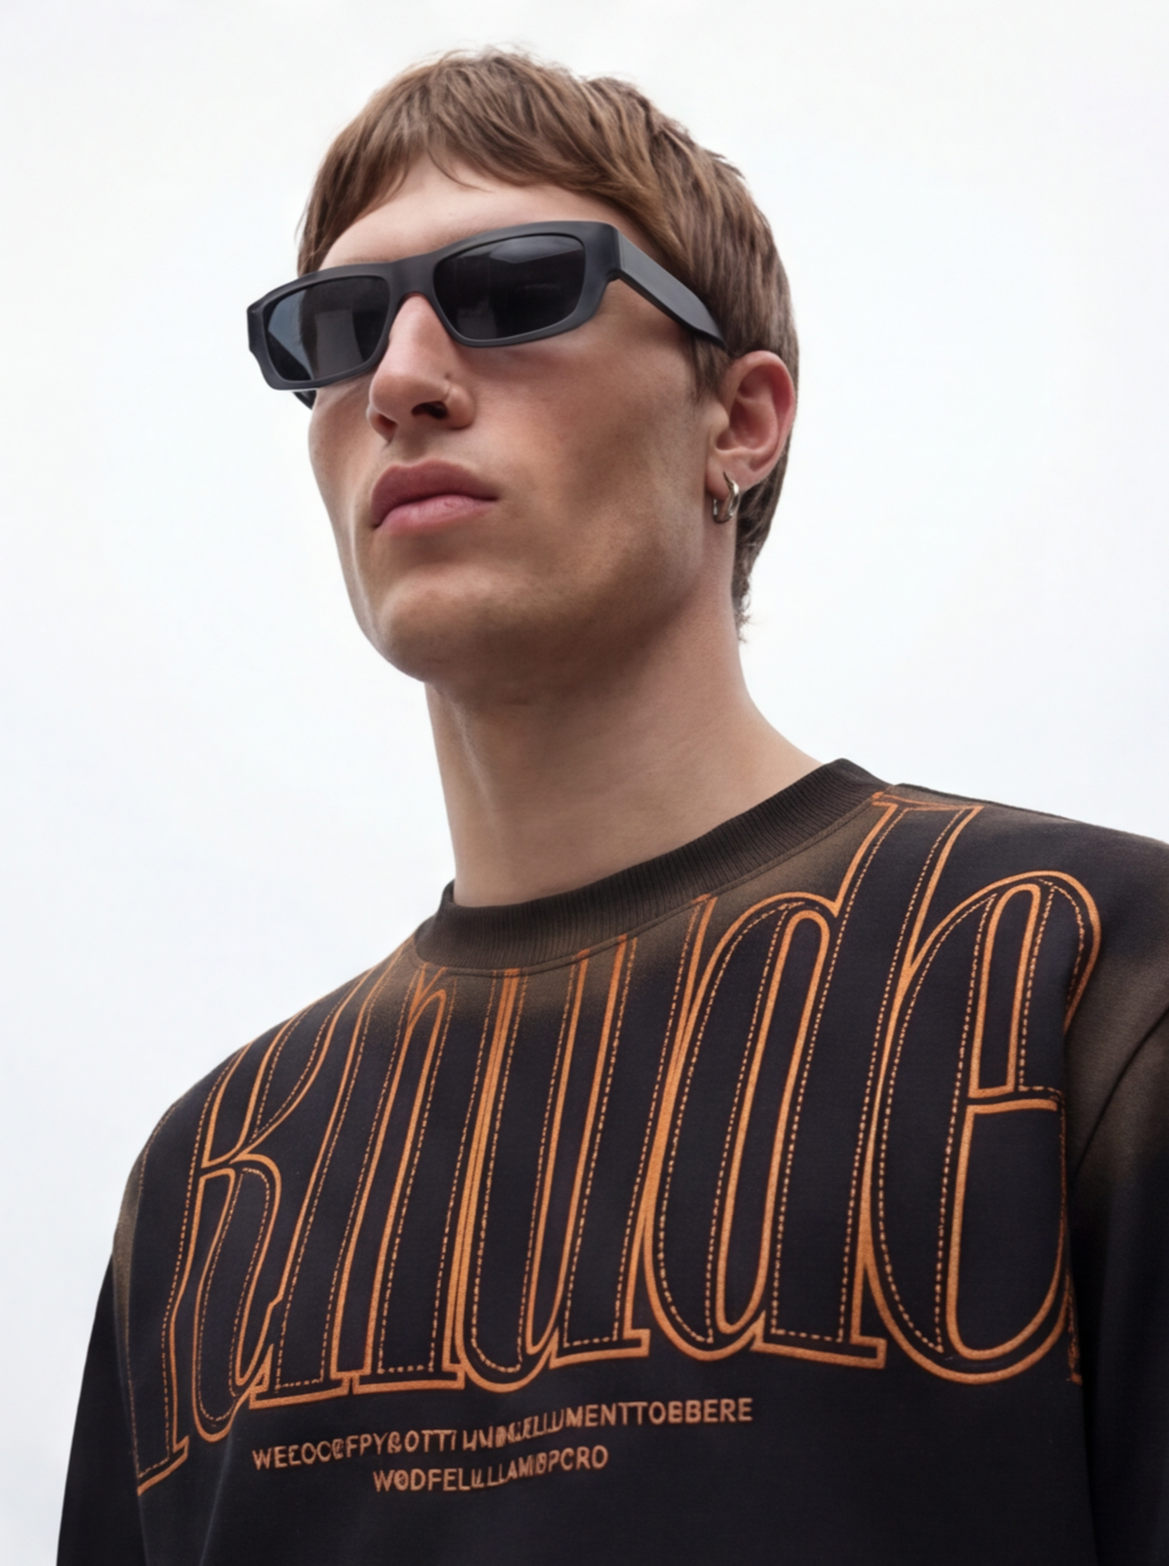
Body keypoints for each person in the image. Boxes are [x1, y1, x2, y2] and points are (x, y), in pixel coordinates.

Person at [58, 48, 1169, 1566]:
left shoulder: (1087, 987)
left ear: (742, 420)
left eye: (517, 288)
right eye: (339, 326)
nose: (402, 380)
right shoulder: (207, 1188)